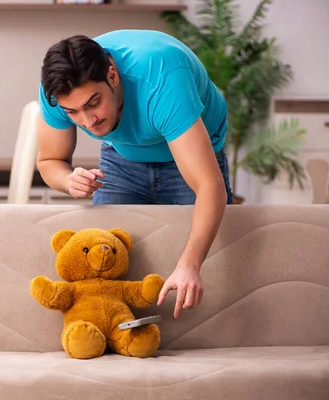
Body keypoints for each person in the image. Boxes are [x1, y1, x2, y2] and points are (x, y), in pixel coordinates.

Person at [36, 29, 234, 319]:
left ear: (113, 75)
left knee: (207, 264)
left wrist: (190, 265)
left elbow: (208, 185)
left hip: (190, 150)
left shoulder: (161, 77)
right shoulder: (55, 91)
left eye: (93, 103)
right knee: (103, 261)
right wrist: (68, 180)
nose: (87, 121)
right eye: (73, 112)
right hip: (122, 155)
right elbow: (50, 160)